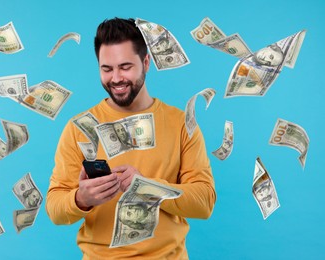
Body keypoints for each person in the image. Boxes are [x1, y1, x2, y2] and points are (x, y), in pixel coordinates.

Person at [46, 17, 216, 259]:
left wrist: (147, 187)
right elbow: (55, 209)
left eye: (125, 67)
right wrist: (81, 198)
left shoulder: (181, 124)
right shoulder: (78, 129)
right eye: (107, 69)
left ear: (146, 62)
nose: (116, 78)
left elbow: (204, 202)